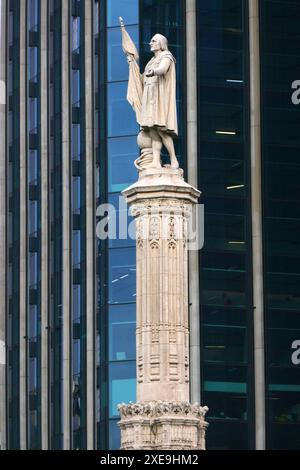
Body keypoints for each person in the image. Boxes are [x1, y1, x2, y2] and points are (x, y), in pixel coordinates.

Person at [126, 32, 179, 169]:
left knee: (162, 130)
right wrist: (133, 66)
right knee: (153, 130)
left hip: (159, 98)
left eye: (153, 41)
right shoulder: (150, 61)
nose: (151, 43)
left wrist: (153, 72)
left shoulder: (166, 56)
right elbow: (142, 79)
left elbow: (162, 69)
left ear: (161, 44)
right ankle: (156, 160)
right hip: (150, 97)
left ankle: (174, 160)